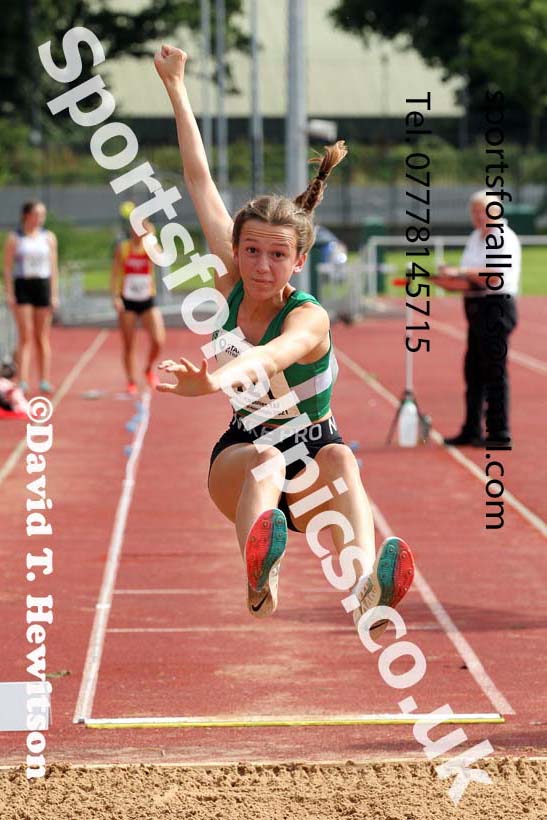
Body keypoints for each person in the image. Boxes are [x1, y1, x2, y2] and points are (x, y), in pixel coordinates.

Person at [153, 44, 415, 632]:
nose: (261, 265)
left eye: (277, 255)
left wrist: (216, 377)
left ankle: (368, 588)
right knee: (267, 457)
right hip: (245, 456)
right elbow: (198, 177)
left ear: (298, 261)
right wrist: (176, 85)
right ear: (236, 251)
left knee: (343, 455)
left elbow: (275, 354)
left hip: (314, 461)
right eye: (250, 251)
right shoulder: (231, 282)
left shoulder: (309, 317)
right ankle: (259, 577)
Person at [437, 191, 520, 447]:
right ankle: (472, 429)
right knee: (473, 371)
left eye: (481, 211)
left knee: (493, 371)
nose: (476, 216)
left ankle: (499, 432)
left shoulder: (502, 237)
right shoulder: (476, 237)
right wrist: (444, 280)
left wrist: (460, 272)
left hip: (496, 307)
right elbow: (470, 280)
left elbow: (494, 277)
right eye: (473, 211)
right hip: (476, 306)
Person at [2, 201, 59, 395]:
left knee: (41, 336)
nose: (40, 218)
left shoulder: (48, 237)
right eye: (36, 214)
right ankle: (23, 380)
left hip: (42, 285)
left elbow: (53, 268)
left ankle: (44, 379)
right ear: (26, 215)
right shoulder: (15, 238)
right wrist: (10, 293)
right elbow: (7, 269)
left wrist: (54, 294)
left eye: (42, 215)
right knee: (25, 335)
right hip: (23, 286)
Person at [111, 215, 166, 394]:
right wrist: (115, 297)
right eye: (135, 227)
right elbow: (114, 274)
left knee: (158, 340)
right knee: (129, 344)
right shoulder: (123, 248)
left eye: (142, 226)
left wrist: (152, 238)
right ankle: (131, 381)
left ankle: (148, 368)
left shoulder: (149, 247)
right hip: (128, 300)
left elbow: (159, 258)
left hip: (147, 299)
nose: (138, 230)